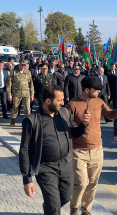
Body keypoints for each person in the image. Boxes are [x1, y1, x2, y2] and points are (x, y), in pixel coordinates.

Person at [65, 76, 117, 215]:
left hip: (97, 150)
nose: (98, 92)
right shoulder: (72, 105)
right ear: (87, 90)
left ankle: (86, 210)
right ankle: (74, 208)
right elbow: (66, 130)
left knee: (92, 184)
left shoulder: (99, 101)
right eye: (96, 90)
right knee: (81, 183)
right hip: (78, 152)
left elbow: (110, 114)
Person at [19, 85, 91, 215]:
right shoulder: (31, 121)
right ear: (48, 101)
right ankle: (51, 207)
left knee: (65, 198)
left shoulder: (64, 113)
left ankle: (50, 206)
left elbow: (75, 133)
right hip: (45, 168)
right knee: (53, 206)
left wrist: (84, 124)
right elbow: (24, 150)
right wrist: (27, 179)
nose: (63, 103)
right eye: (59, 100)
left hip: (65, 164)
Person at [6, 60, 34, 127]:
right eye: (21, 65)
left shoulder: (28, 73)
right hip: (16, 94)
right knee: (15, 108)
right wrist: (9, 94)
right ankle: (13, 120)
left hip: (26, 93)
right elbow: (9, 84)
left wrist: (32, 94)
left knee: (27, 109)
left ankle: (26, 123)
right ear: (19, 65)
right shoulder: (14, 72)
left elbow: (31, 84)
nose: (22, 66)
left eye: (24, 65)